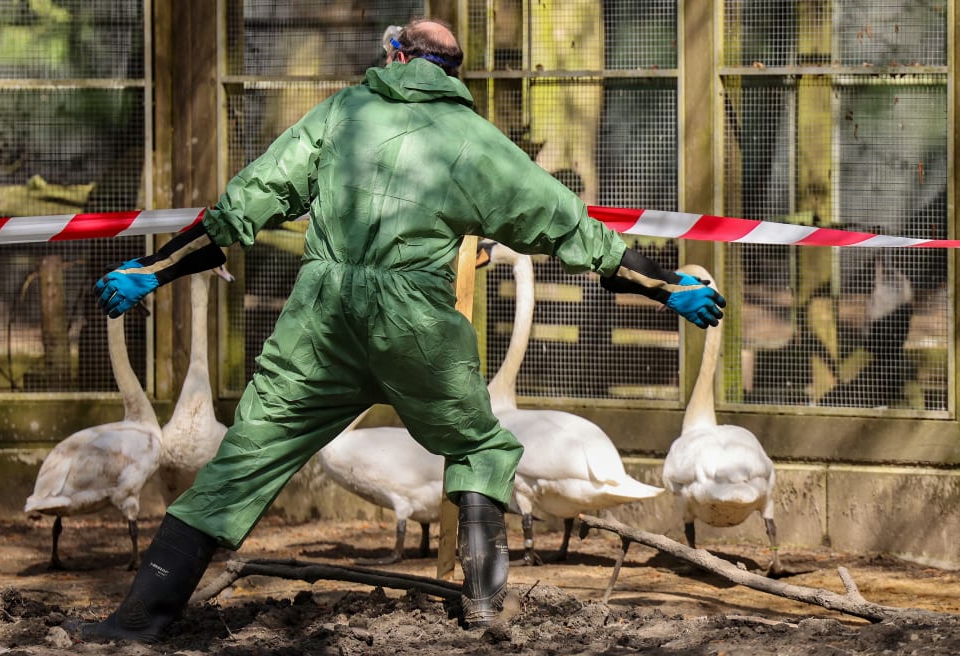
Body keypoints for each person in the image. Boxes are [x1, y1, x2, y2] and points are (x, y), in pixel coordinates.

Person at [84, 17, 725, 643]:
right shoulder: (477, 142)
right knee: (478, 448)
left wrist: (154, 267)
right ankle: (483, 609)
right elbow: (576, 234)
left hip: (321, 323)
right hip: (416, 326)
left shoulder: (342, 114)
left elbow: (240, 209)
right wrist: (666, 286)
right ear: (452, 76)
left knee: (241, 460)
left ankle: (139, 620)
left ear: (394, 56)